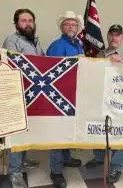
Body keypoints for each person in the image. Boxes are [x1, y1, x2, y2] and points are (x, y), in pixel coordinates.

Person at [3, 8, 44, 188]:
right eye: (23, 20)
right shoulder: (11, 40)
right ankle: (15, 172)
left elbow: (43, 62)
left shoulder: (36, 41)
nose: (28, 24)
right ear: (16, 24)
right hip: (18, 92)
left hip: (33, 92)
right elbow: (15, 64)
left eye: (30, 20)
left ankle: (23, 162)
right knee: (17, 132)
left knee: (27, 130)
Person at [46, 11, 83, 188]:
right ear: (62, 27)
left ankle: (66, 158)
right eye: (67, 24)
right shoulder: (56, 46)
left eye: (73, 24)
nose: (70, 27)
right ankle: (56, 171)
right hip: (59, 96)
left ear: (77, 28)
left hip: (74, 95)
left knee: (68, 130)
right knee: (57, 133)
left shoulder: (79, 44)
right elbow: (49, 71)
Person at [85, 24, 123, 183]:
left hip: (121, 102)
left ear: (122, 38)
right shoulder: (100, 54)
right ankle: (99, 157)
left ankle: (116, 166)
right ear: (108, 36)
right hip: (101, 100)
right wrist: (106, 61)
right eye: (112, 34)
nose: (114, 38)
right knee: (99, 130)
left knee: (119, 135)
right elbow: (93, 75)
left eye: (118, 35)